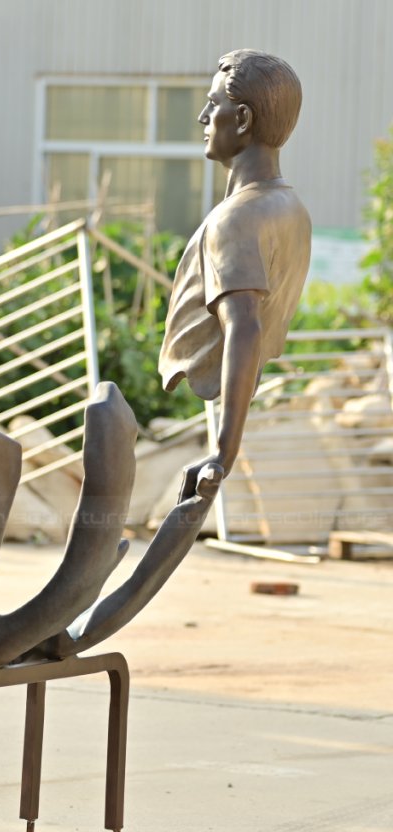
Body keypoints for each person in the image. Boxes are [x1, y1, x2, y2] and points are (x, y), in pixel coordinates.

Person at [159, 50, 311, 500]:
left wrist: (222, 454)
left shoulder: (236, 221)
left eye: (213, 105)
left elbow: (244, 326)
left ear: (242, 118)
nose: (203, 116)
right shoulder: (290, 207)